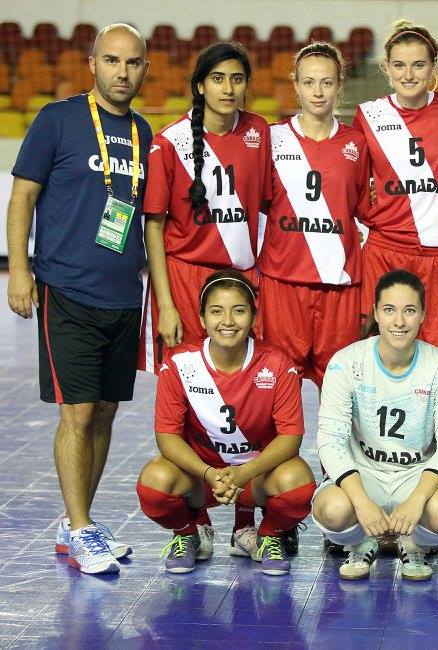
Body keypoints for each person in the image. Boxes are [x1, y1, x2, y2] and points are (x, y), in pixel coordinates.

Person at [6, 23, 151, 575]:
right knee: (79, 412)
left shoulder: (143, 132)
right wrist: (20, 270)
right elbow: (23, 197)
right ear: (92, 64)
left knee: (108, 411)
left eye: (133, 62)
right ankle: (82, 527)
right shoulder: (57, 120)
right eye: (112, 61)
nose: (122, 72)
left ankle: (78, 523)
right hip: (66, 289)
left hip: (123, 295)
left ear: (143, 67)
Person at [141, 41, 273, 554]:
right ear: (200, 85)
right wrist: (169, 303)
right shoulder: (169, 142)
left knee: (249, 401)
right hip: (186, 282)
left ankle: (245, 515)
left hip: (243, 282)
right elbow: (154, 227)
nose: (228, 88)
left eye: (237, 78)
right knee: (194, 403)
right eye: (217, 78)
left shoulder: (261, 133)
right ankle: (195, 518)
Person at [135, 270, 315, 576]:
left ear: (254, 317)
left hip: (255, 476)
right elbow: (167, 436)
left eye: (239, 310)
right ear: (202, 319)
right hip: (202, 478)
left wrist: (244, 473)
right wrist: (208, 473)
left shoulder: (277, 363)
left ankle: (267, 536)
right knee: (154, 483)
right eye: (216, 311)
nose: (228, 321)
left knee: (299, 484)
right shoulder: (180, 362)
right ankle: (189, 533)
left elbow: (290, 436)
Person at [312, 270, 438, 581]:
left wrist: (417, 500)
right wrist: (362, 503)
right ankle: (361, 542)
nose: (399, 322)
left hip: (416, 475)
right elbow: (330, 441)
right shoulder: (346, 363)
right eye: (389, 310)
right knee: (332, 509)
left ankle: (414, 543)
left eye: (409, 310)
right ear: (376, 313)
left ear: (423, 314)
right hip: (364, 473)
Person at [353, 21, 438, 363]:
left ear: (433, 67)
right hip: (386, 250)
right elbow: (355, 179)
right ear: (387, 69)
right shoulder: (368, 115)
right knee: (380, 356)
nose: (409, 74)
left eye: (418, 65)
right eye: (400, 65)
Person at [258, 41, 370, 388]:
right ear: (295, 85)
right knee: (280, 388)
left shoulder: (357, 143)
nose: (317, 92)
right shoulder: (272, 138)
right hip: (283, 283)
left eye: (326, 82)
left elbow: (365, 208)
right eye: (308, 82)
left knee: (338, 389)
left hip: (339, 286)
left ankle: (333, 446)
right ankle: (283, 447)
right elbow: (261, 201)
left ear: (339, 85)